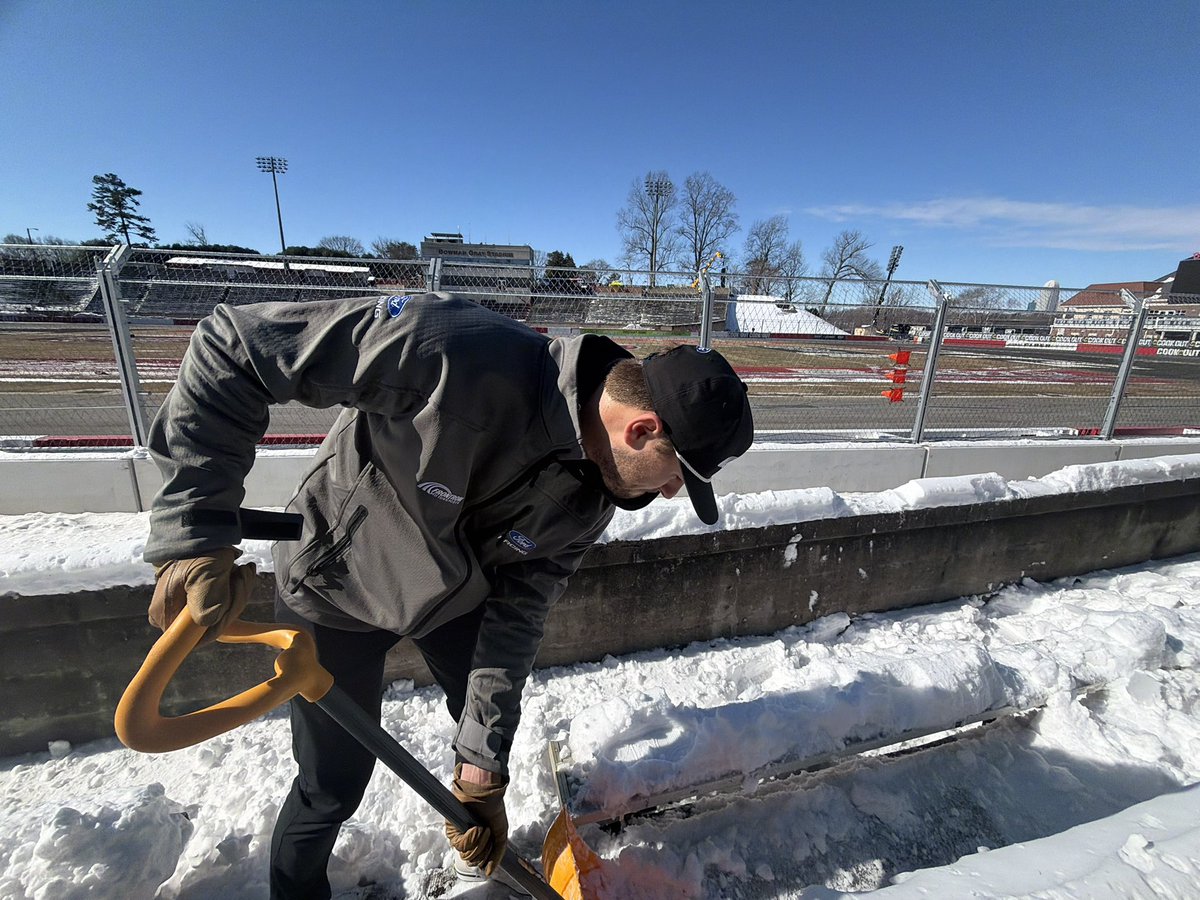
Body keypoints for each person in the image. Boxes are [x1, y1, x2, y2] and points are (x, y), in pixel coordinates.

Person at [143, 291, 754, 898]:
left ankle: (475, 867)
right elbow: (236, 346)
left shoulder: (597, 495)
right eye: (680, 474)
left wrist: (481, 775)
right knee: (331, 785)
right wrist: (194, 528)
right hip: (336, 588)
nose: (672, 493)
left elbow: (518, 615)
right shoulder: (450, 351)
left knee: (486, 735)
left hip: (453, 603)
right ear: (643, 430)